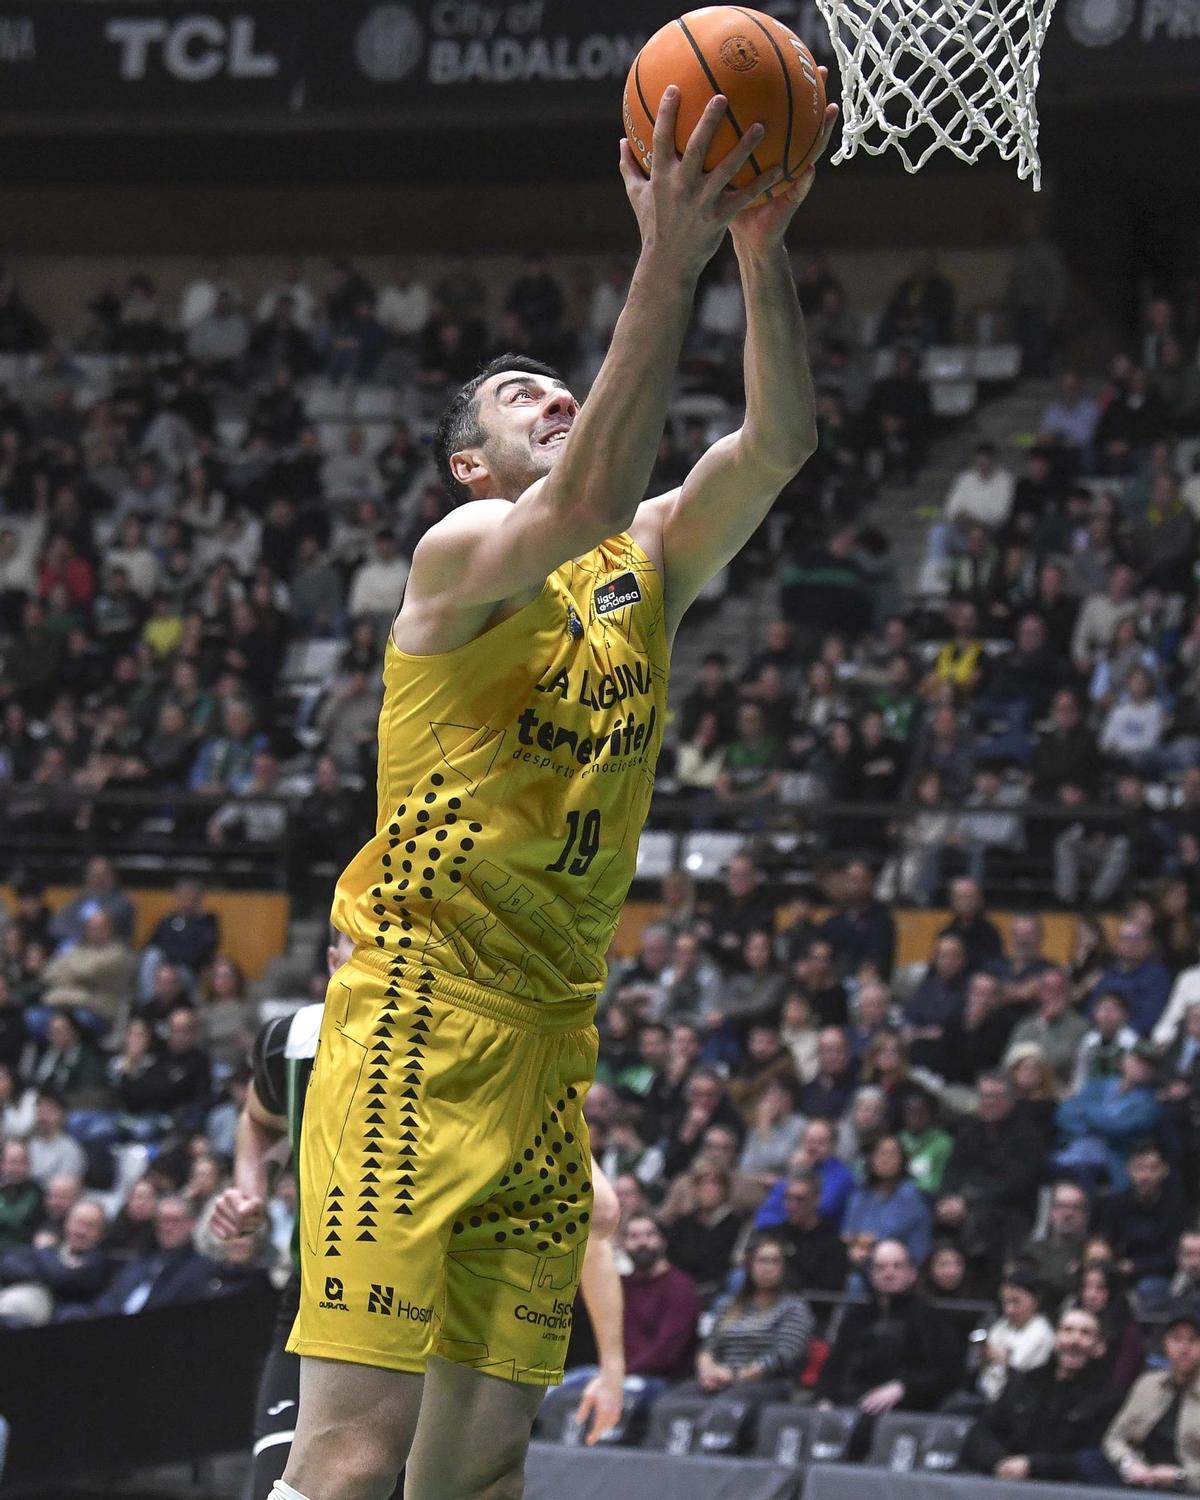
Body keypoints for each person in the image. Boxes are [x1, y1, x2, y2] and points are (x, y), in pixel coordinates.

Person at [272, 90, 839, 1500]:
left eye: (554, 382)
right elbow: (582, 501)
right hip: (416, 1020)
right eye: (510, 394)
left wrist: (758, 245)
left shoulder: (649, 557)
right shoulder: (459, 551)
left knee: (476, 1479)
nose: (546, 392)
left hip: (548, 1048)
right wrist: (668, 254)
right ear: (471, 463)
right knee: (349, 1465)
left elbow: (778, 446)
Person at [214, 927, 628, 1493]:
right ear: (337, 963)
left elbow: (599, 1210)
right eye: (364, 954)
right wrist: (251, 1193)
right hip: (318, 1304)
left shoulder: (468, 1055)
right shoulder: (294, 1043)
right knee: (316, 1474)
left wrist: (612, 1368)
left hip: (442, 1318)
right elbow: (258, 1120)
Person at [815, 1239, 963, 1454]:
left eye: (897, 1266)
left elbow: (946, 1373)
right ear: (872, 1275)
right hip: (850, 1400)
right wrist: (825, 1398)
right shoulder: (856, 1317)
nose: (889, 1273)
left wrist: (903, 1387)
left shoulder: (931, 1317)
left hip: (903, 1406)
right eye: (881, 1268)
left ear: (912, 1273)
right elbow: (835, 1364)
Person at [962, 1307, 1119, 1481]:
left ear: (1099, 1347)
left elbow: (1090, 1459)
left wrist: (1032, 1465)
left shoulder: (1107, 1396)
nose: (1075, 1340)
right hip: (1006, 1481)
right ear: (1056, 1337)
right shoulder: (1026, 1382)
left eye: (1085, 1333)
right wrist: (1000, 1462)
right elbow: (981, 1432)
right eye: (1068, 1330)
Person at [690, 1234, 813, 1410]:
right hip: (720, 1378)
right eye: (761, 1260)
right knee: (672, 1404)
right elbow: (708, 1347)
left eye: (774, 1261)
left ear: (784, 1267)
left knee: (722, 1407)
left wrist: (734, 1376)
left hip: (767, 1384)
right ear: (750, 1265)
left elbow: (784, 1355)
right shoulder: (729, 1305)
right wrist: (707, 1372)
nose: (767, 1267)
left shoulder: (794, 1307)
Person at [1093, 1299, 1200, 1488]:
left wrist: (1180, 1476)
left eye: (1192, 1340)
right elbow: (1114, 1437)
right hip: (1140, 1476)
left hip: (1189, 1486)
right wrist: (1129, 1463)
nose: (1184, 1348)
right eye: (1176, 1339)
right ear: (1165, 1344)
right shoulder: (1148, 1384)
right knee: (1088, 1460)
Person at [977, 1267, 1056, 1402]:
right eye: (1005, 1302)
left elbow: (1023, 1373)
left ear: (1035, 1300)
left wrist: (1001, 1358)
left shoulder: (1042, 1332)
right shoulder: (1000, 1326)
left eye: (1016, 1301)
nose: (1009, 1309)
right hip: (986, 1394)